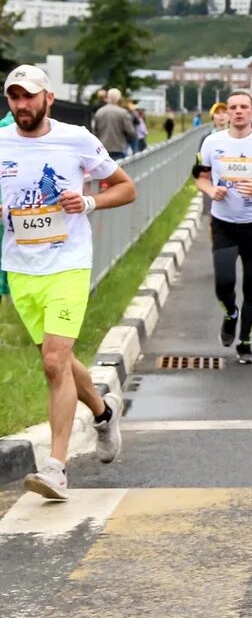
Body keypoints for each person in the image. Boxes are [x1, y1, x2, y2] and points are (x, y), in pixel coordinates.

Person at [1, 65, 136, 501]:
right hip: (22, 268)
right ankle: (103, 410)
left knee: (54, 362)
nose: (22, 105)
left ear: (48, 98)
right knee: (56, 358)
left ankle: (56, 468)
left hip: (68, 265)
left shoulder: (76, 138)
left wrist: (91, 200)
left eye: (29, 96)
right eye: (14, 97)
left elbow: (126, 187)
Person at [196, 91, 252, 365]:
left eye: (243, 107)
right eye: (233, 107)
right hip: (224, 223)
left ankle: (245, 342)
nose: (237, 112)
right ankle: (230, 313)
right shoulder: (212, 142)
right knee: (224, 283)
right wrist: (212, 190)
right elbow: (200, 177)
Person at [92, 88, 135, 161]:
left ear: (108, 97)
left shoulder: (99, 112)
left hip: (103, 149)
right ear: (119, 98)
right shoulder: (123, 113)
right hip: (119, 148)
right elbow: (131, 132)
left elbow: (95, 131)